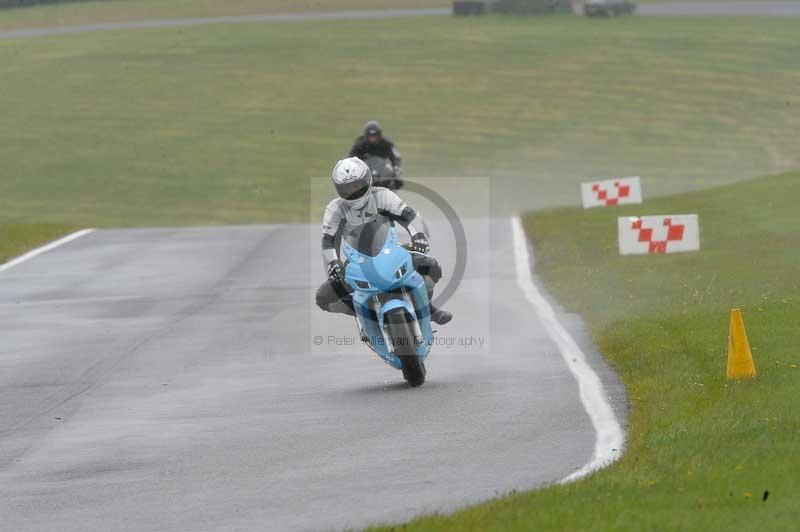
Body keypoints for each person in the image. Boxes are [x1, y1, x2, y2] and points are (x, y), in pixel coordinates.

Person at [315, 157, 452, 325]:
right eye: (347, 188)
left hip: (391, 250)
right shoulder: (334, 209)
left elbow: (409, 215)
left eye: (357, 185)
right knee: (323, 298)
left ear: (368, 179)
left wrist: (419, 237)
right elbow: (328, 240)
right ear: (338, 188)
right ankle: (363, 313)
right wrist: (333, 264)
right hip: (356, 262)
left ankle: (428, 309)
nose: (354, 191)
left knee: (432, 267)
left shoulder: (382, 195)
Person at [349, 121, 403, 189]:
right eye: (371, 136)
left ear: (379, 135)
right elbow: (351, 158)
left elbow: (396, 157)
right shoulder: (360, 143)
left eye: (375, 136)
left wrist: (396, 168)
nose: (373, 139)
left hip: (382, 170)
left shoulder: (386, 144)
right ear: (366, 135)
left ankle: (389, 193)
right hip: (364, 170)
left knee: (397, 182)